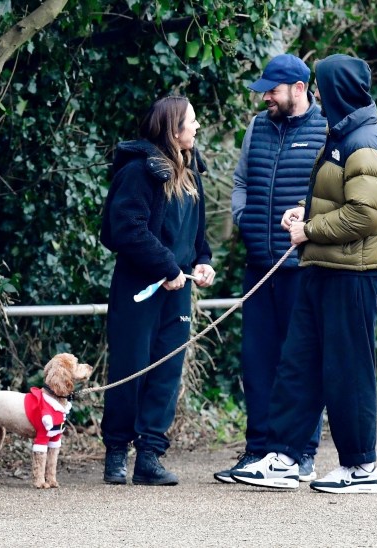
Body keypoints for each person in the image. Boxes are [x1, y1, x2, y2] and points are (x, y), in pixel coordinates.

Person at [230, 54, 377, 493]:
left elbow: (365, 214)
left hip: (356, 273)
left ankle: (361, 466)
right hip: (324, 266)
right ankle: (285, 457)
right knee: (299, 364)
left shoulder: (367, 140)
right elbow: (337, 199)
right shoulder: (341, 134)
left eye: (323, 86)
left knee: (348, 371)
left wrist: (308, 229)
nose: (319, 95)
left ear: (339, 89)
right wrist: (303, 213)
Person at [213, 54, 327, 484]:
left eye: (272, 91)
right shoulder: (258, 127)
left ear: (299, 89)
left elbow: (333, 194)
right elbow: (242, 181)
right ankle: (259, 451)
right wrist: (244, 217)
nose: (265, 98)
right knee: (257, 362)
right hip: (259, 266)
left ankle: (300, 453)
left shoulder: (325, 130)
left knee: (297, 362)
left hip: (303, 267)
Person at [100, 95, 215, 486]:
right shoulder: (138, 171)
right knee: (130, 367)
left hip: (178, 288)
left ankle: (149, 455)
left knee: (167, 371)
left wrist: (203, 259)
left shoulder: (192, 171)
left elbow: (197, 232)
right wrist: (166, 267)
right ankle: (116, 451)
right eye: (192, 122)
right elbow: (125, 230)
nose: (197, 128)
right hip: (139, 286)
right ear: (172, 128)